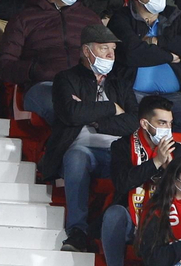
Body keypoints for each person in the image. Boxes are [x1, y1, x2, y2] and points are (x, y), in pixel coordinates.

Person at [39, 23, 138, 254]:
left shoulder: (120, 83)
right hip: (80, 150)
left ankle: (120, 231)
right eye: (104, 49)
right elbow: (71, 114)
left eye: (112, 49)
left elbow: (133, 121)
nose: (111, 55)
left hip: (116, 151)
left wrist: (93, 116)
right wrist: (112, 108)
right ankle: (77, 232)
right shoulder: (66, 79)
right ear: (86, 51)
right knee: (76, 157)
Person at [0, 0, 100, 122]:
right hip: (45, 86)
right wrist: (35, 70)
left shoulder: (90, 18)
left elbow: (106, 53)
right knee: (67, 111)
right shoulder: (24, 19)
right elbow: (4, 65)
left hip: (88, 87)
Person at [106, 0, 181, 133]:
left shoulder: (172, 15)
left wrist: (157, 41)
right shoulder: (121, 19)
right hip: (135, 94)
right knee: (130, 125)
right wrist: (169, 56)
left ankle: (171, 156)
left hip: (173, 95)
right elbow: (133, 53)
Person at [100, 95, 181, 266]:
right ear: (144, 124)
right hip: (132, 217)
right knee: (114, 214)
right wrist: (155, 162)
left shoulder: (179, 152)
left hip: (167, 218)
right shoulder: (122, 147)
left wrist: (170, 168)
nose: (168, 129)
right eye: (162, 123)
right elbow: (122, 184)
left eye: (170, 123)